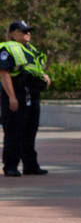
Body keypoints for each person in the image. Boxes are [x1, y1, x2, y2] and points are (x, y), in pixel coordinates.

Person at [0, 19, 51, 176]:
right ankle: (10, 166)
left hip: (31, 94)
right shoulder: (7, 49)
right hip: (16, 93)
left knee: (30, 130)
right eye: (24, 31)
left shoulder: (30, 49)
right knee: (14, 131)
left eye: (28, 31)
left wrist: (44, 76)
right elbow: (4, 73)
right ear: (13, 33)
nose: (27, 33)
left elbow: (33, 69)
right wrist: (12, 97)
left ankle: (30, 165)